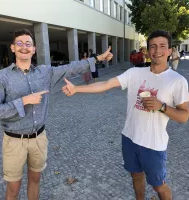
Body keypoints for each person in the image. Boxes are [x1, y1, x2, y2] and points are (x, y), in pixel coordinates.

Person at [62, 30, 189, 200]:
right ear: (147, 50)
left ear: (169, 50)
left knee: (159, 185)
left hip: (153, 144)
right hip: (129, 138)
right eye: (152, 46)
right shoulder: (135, 73)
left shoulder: (177, 81)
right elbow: (106, 84)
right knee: (136, 176)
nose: (157, 50)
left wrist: (162, 107)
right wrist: (77, 88)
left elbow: (184, 116)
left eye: (161, 46)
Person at [0, 28, 113, 200]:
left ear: (34, 49)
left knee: (35, 180)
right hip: (14, 141)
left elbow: (71, 68)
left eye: (28, 44)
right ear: (12, 48)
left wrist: (97, 58)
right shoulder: (1, 77)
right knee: (13, 188)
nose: (24, 47)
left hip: (39, 138)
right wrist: (23, 101)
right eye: (19, 43)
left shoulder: (45, 73)